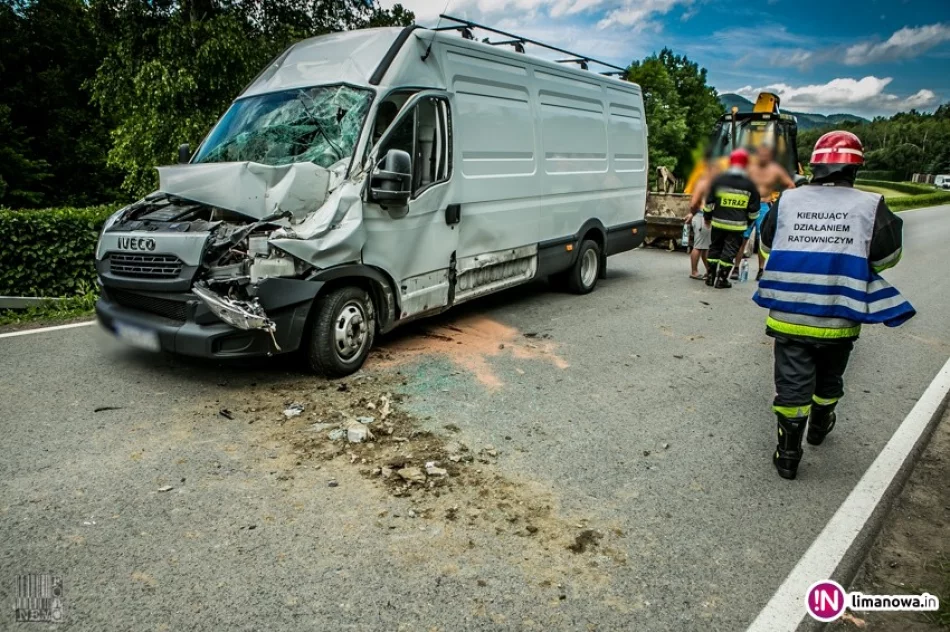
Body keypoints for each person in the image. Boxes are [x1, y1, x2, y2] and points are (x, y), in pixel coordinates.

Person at [754, 131, 916, 480]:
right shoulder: (871, 205)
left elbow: (767, 250)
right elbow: (889, 256)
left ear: (815, 166)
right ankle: (821, 425)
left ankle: (787, 456)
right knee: (829, 378)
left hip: (790, 313)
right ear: (855, 168)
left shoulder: (788, 201)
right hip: (839, 315)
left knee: (792, 384)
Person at [734, 143, 797, 280]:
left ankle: (761, 270)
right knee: (743, 238)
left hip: (764, 206)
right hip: (749, 205)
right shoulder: (749, 169)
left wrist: (781, 199)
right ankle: (736, 267)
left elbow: (791, 185)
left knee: (763, 238)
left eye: (766, 155)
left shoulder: (775, 170)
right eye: (760, 154)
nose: (763, 157)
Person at [703, 149, 760, 289]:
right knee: (729, 251)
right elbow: (754, 210)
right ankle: (721, 280)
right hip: (737, 226)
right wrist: (749, 222)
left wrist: (707, 217)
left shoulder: (719, 180)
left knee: (715, 247)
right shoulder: (750, 184)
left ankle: (710, 277)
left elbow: (709, 202)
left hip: (717, 222)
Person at [684, 162, 718, 280]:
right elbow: (694, 203)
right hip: (703, 217)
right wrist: (693, 213)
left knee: (705, 246)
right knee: (699, 246)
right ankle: (694, 271)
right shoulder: (705, 184)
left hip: (702, 216)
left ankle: (709, 271)